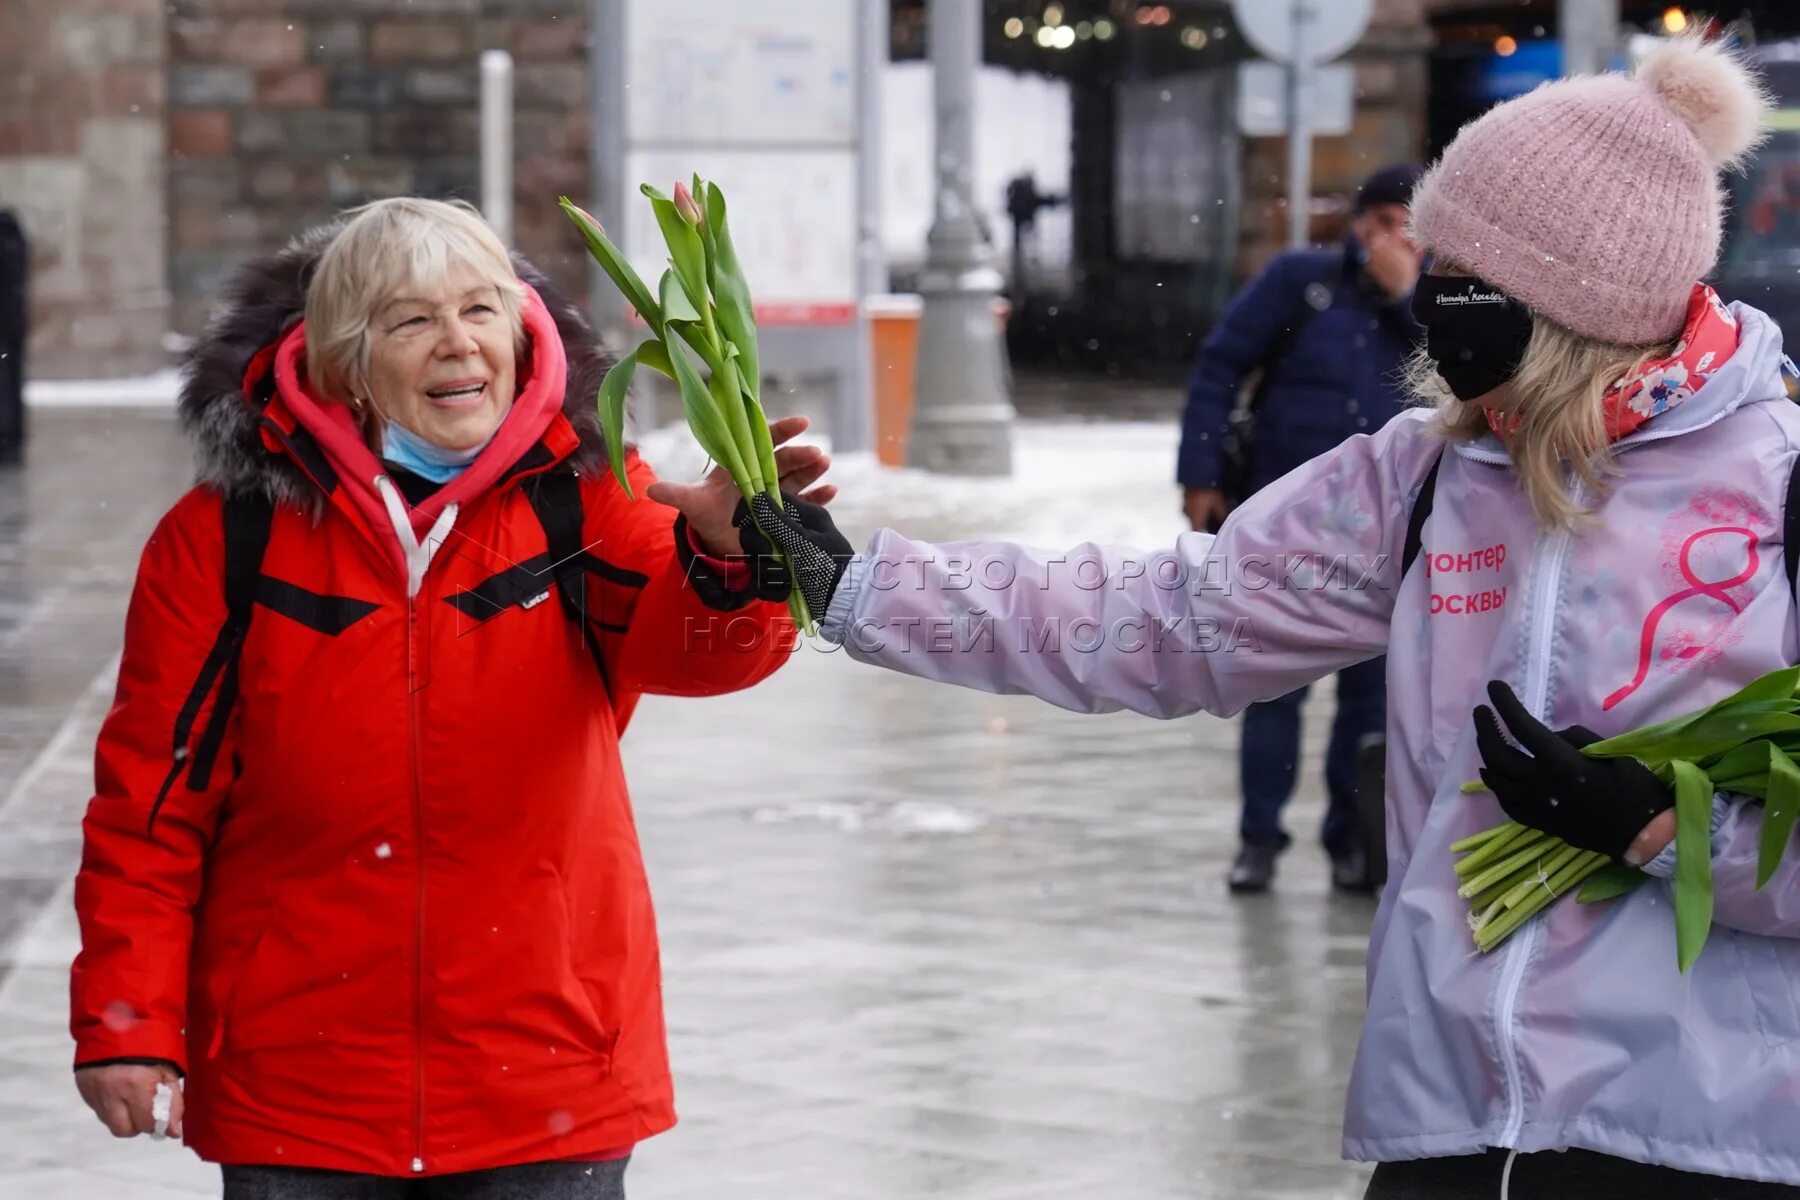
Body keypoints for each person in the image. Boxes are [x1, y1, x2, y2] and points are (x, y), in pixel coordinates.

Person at [676, 36, 1800, 1197]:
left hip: (1707, 1141)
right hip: (1456, 1135)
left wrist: (1666, 834)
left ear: (1577, 298)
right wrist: (858, 586)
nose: (1433, 297)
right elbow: (1174, 617)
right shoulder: (1422, 479)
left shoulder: (1781, 489)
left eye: (1466, 271)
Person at [69, 198, 833, 1198]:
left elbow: (698, 653)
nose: (458, 343)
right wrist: (128, 1017)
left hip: (546, 1069)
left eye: (481, 311)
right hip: (301, 1085)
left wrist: (730, 558)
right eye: (411, 320)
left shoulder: (591, 494)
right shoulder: (224, 536)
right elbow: (152, 803)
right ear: (345, 359)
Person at [1178, 162, 1425, 894]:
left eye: (1404, 224)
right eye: (1377, 222)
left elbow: (1467, 375)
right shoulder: (1300, 281)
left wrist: (1407, 297)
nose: (1387, 237)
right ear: (1357, 225)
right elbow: (1220, 367)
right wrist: (1199, 477)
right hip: (1283, 531)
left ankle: (1353, 843)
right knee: (1269, 691)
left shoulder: (1439, 297)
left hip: (1389, 539)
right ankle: (1260, 840)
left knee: (1371, 701)